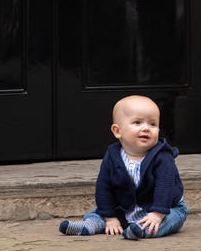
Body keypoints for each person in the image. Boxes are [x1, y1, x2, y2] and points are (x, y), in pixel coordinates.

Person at [59, 94, 188, 240]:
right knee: (99, 212)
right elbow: (104, 186)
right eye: (137, 122)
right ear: (117, 131)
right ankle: (91, 225)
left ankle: (141, 230)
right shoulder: (113, 156)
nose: (146, 128)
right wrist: (110, 218)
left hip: (164, 207)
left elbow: (165, 185)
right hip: (124, 206)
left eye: (153, 124)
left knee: (169, 220)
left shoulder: (163, 156)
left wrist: (157, 214)